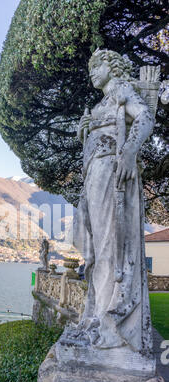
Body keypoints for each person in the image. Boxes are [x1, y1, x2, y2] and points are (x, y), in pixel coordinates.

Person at [74, 49, 155, 352]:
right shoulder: (102, 103)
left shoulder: (122, 90)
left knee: (109, 247)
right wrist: (86, 132)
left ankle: (110, 322)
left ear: (112, 66)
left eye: (98, 65)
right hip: (95, 174)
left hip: (111, 171)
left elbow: (145, 117)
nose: (92, 71)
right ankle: (97, 316)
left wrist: (131, 151)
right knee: (98, 249)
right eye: (91, 66)